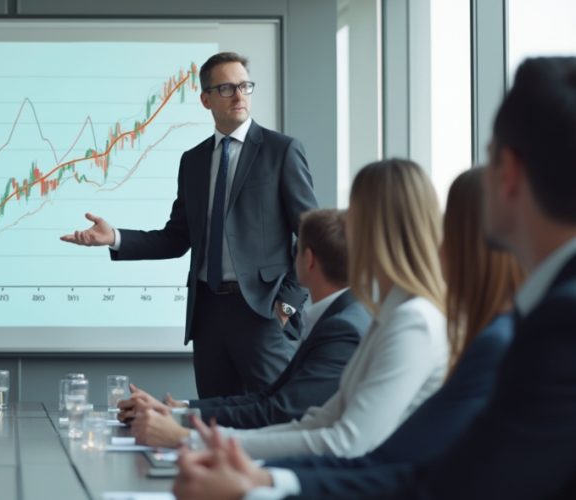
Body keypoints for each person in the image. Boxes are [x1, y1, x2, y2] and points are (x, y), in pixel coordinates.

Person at [173, 56, 576, 500]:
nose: (342, 231)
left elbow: (371, 453)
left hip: (263, 324)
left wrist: (253, 475)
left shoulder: (534, 326)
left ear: (511, 172)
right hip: (214, 322)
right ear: (206, 98)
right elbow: (339, 430)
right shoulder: (396, 316)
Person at [61, 51, 318, 398]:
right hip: (208, 314)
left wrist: (287, 304)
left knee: (277, 416)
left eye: (245, 86)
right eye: (227, 88)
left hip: (263, 313)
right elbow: (177, 238)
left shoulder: (281, 150)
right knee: (213, 422)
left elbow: (312, 233)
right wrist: (114, 237)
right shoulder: (193, 161)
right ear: (206, 99)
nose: (239, 95)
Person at [186, 159, 448, 461]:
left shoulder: (412, 322)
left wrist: (199, 441)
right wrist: (202, 439)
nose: (345, 226)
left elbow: (344, 442)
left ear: (378, 228)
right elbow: (320, 421)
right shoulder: (386, 314)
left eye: (354, 213)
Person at [121, 209, 370, 444]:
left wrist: (181, 428)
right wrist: (178, 409)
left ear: (308, 259)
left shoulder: (341, 329)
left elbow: (279, 412)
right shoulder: (339, 318)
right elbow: (268, 398)